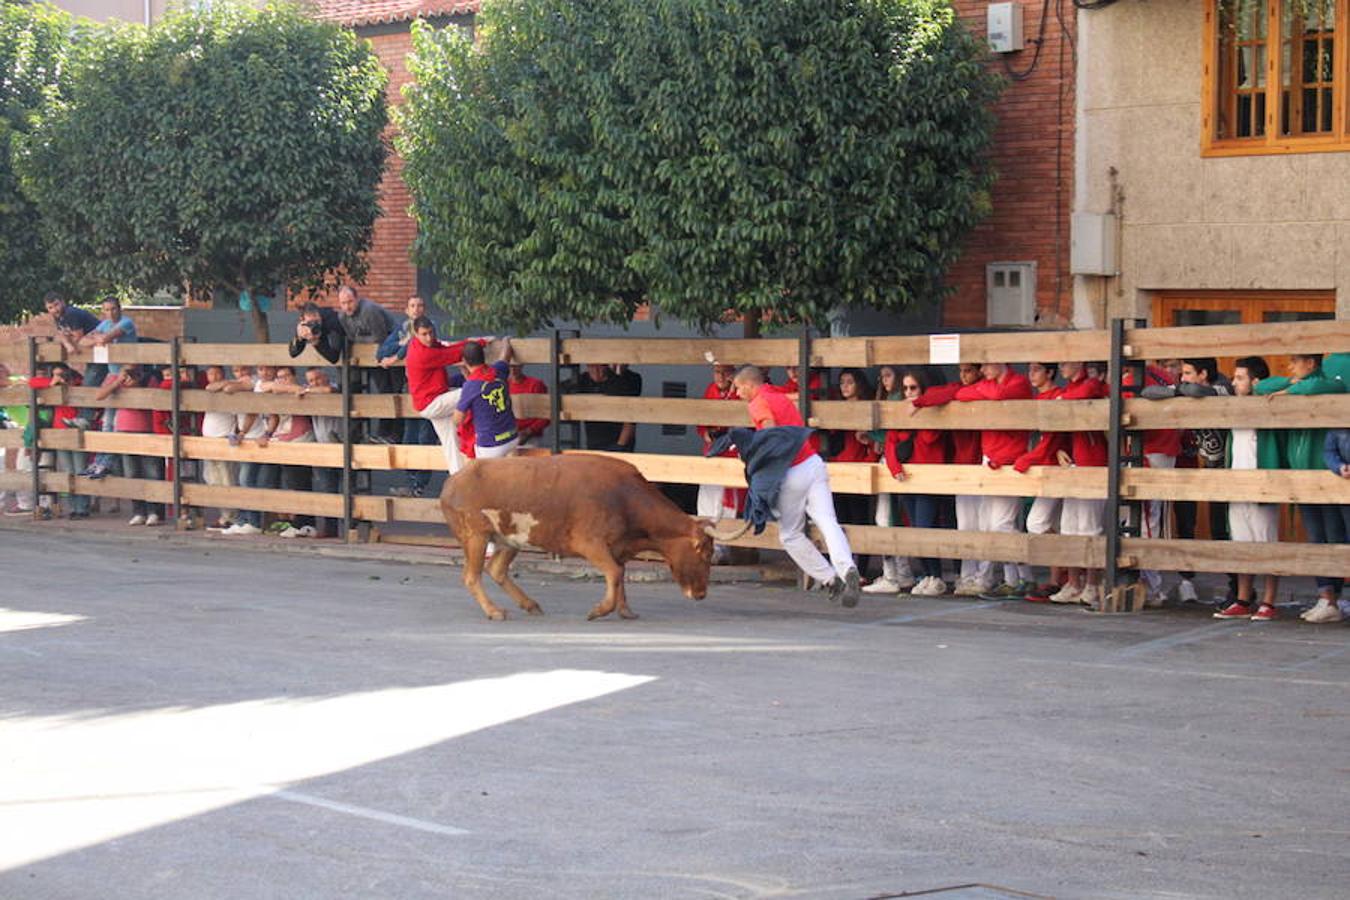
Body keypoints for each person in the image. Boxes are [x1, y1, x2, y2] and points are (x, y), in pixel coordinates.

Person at [732, 365, 861, 607]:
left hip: (791, 471)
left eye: (738, 388)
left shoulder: (757, 403)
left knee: (790, 534)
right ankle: (848, 568)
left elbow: (770, 433)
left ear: (749, 384)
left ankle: (830, 579)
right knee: (827, 521)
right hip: (813, 463)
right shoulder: (780, 397)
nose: (737, 393)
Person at [911, 360, 1033, 598]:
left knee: (1002, 524)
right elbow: (956, 392)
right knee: (988, 525)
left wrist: (980, 391)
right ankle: (1011, 579)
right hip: (988, 461)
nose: (985, 372)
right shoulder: (986, 383)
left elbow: (1000, 393)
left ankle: (1023, 578)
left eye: (987, 366)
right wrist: (919, 401)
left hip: (1010, 462)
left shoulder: (1018, 382)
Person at [1256, 353, 1346, 624]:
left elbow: (1323, 387)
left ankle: (1333, 599)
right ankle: (1325, 596)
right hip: (1301, 479)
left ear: (1311, 363)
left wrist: (1292, 389)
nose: (1290, 366)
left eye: (1296, 362)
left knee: (1333, 537)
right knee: (1316, 538)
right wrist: (1289, 384)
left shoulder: (1328, 383)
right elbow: (1261, 386)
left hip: (1325, 478)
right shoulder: (1295, 384)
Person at [1141, 357, 1237, 605]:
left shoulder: (1222, 386)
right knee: (1218, 529)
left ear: (1203, 374)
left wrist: (1178, 389)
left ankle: (1239, 590)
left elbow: (1196, 390)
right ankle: (1232, 590)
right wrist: (1175, 389)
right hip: (1211, 468)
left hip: (1233, 468)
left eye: (1184, 372)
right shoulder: (1186, 388)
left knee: (1230, 530)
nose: (1178, 376)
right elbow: (1148, 392)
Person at [1213, 357, 1283, 621]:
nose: (1234, 382)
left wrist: (1262, 387)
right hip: (1236, 482)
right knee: (1241, 541)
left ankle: (1269, 601)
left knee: (1266, 540)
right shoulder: (1235, 407)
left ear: (1256, 382)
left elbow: (1283, 382)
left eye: (1240, 378)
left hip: (1262, 483)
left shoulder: (1268, 404)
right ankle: (1244, 598)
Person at [875, 367, 951, 597]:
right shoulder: (901, 413)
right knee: (914, 528)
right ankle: (927, 575)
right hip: (906, 479)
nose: (909, 393)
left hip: (928, 478)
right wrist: (895, 468)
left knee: (925, 526)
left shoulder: (933, 409)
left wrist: (920, 404)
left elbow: (949, 393)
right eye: (906, 388)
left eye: (914, 388)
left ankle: (936, 576)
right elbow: (890, 443)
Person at [1041, 361, 1110, 608]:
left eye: (1066, 363)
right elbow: (1062, 424)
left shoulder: (1093, 385)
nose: (1061, 367)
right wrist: (1060, 448)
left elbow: (1083, 393)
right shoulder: (1068, 388)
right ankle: (1073, 583)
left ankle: (1092, 584)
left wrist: (1062, 399)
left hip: (1094, 463)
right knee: (1069, 526)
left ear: (1080, 363)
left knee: (1090, 528)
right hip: (1073, 463)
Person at [863, 364, 918, 594]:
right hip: (890, 460)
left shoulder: (897, 401)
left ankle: (894, 575)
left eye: (888, 375)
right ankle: (900, 573)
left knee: (887, 517)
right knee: (890, 517)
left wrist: (873, 435)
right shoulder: (888, 399)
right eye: (881, 376)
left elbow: (892, 435)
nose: (884, 380)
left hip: (896, 462)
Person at [1016, 362, 1067, 602]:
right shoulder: (1040, 397)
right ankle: (1058, 579)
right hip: (1044, 466)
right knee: (1055, 524)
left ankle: (1063, 573)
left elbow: (1052, 440)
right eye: (1030, 370)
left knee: (1036, 522)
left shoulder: (1057, 396)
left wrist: (1026, 459)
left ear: (1050, 372)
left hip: (1055, 469)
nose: (1031, 375)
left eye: (1037, 370)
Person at [378, 295, 437, 497]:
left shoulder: (430, 328)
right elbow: (382, 351)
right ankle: (412, 484)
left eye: (420, 305)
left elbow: (418, 344)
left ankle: (420, 485)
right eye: (412, 305)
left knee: (425, 437)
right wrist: (399, 348)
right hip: (410, 390)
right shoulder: (403, 328)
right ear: (406, 310)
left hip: (428, 390)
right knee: (408, 437)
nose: (416, 309)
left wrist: (397, 355)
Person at [404, 317, 479, 473]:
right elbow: (452, 354)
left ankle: (459, 482)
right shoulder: (423, 354)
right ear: (415, 334)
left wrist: (468, 341)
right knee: (475, 389)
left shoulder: (421, 345)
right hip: (433, 403)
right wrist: (478, 343)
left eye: (431, 333)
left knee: (451, 445)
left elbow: (446, 349)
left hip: (431, 401)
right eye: (424, 334)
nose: (429, 338)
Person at [95, 364, 165, 526]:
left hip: (147, 430)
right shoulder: (114, 378)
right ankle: (139, 511)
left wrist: (138, 384)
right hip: (124, 430)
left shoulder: (148, 378)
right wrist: (118, 381)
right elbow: (99, 395)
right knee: (132, 472)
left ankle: (154, 511)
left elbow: (155, 399)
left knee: (152, 472)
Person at [827, 368, 880, 579]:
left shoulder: (866, 408)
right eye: (842, 382)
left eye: (850, 381)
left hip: (860, 470)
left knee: (860, 520)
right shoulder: (836, 410)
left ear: (859, 383)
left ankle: (861, 570)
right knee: (840, 520)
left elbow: (873, 444)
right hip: (839, 470)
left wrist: (866, 459)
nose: (845, 386)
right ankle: (844, 567)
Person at [696, 363, 746, 564]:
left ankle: (722, 547)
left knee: (727, 503)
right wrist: (706, 433)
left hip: (731, 454)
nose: (720, 376)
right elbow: (701, 421)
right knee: (707, 499)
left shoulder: (737, 394)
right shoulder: (710, 390)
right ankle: (704, 543)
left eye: (725, 372)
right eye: (717, 372)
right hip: (712, 453)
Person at [335, 285, 399, 442]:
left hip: (392, 350)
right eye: (343, 303)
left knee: (391, 390)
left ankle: (389, 433)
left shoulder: (369, 310)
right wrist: (362, 340)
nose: (347, 306)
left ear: (357, 299)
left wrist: (360, 340)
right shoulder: (342, 317)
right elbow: (351, 338)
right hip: (369, 356)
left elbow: (381, 337)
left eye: (350, 301)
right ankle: (367, 434)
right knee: (377, 389)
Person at [453, 338, 519, 459]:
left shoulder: (470, 385)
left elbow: (457, 420)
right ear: (483, 357)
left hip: (491, 445)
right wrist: (505, 341)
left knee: (482, 476)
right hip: (512, 437)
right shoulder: (498, 370)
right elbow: (506, 354)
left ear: (464, 361)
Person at [200, 364, 246, 529]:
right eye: (212, 374)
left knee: (227, 478)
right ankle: (224, 513)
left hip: (223, 438)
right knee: (211, 478)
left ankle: (231, 516)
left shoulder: (230, 390)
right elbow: (209, 387)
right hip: (208, 439)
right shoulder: (209, 391)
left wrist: (227, 383)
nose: (215, 377)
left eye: (218, 373)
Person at [574, 363, 641, 451]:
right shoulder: (584, 380)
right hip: (594, 443)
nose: (596, 370)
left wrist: (620, 445)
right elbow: (560, 389)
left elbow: (630, 419)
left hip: (618, 442)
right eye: (591, 366)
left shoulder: (627, 379)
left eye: (600, 366)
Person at [45, 291, 99, 357]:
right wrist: (67, 343)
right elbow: (61, 334)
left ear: (63, 302)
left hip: (99, 341)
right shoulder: (58, 316)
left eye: (56, 305)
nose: (54, 310)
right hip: (90, 345)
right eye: (50, 308)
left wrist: (67, 342)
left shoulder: (70, 313)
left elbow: (78, 337)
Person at [509, 362, 550, 448]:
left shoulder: (536, 384)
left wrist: (529, 431)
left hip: (531, 438)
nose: (512, 369)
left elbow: (546, 415)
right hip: (509, 437)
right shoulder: (504, 385)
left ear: (521, 365)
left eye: (515, 366)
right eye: (509, 366)